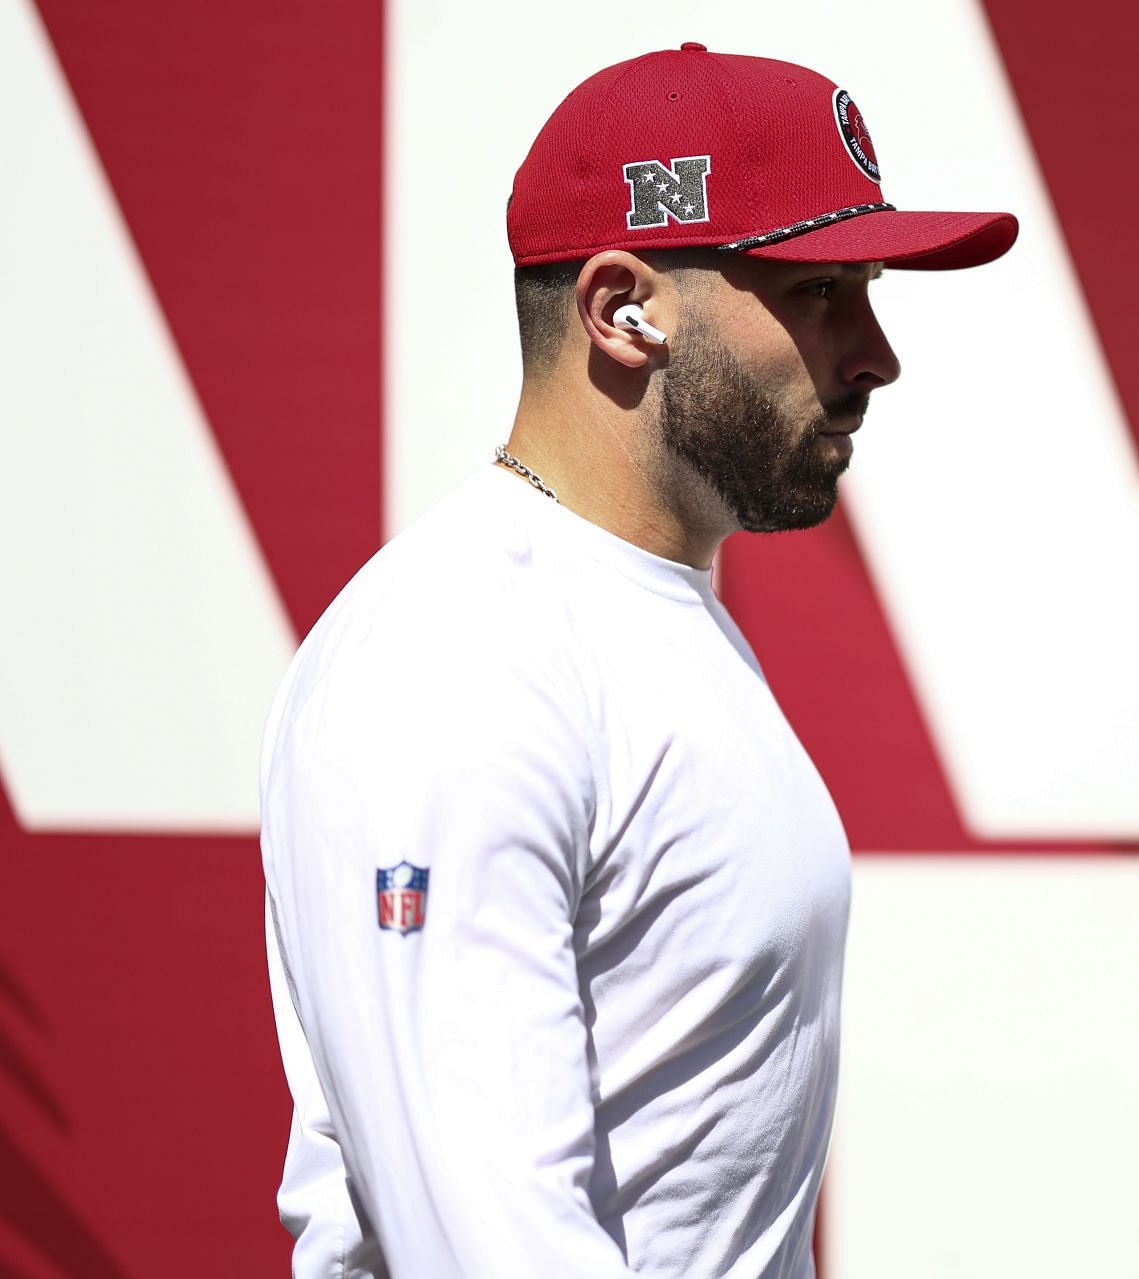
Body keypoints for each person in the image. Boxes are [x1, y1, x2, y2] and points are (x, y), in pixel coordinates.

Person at [259, 43, 1016, 1278]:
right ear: (623, 308)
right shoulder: (459, 659)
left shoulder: (637, 609)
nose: (877, 353)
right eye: (821, 291)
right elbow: (491, 1243)